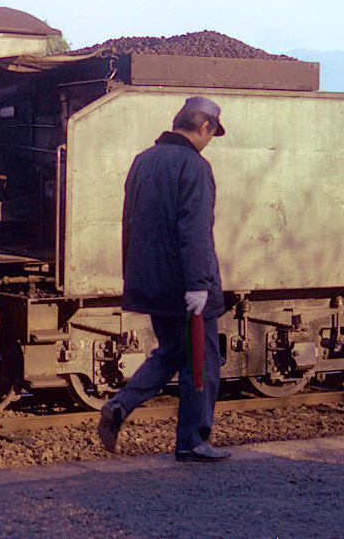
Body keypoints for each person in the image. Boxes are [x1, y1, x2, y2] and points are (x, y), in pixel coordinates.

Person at [97, 95, 230, 462]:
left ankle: (120, 406)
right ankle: (192, 441)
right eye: (211, 134)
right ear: (203, 127)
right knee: (201, 362)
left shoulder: (143, 161)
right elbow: (195, 230)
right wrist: (200, 284)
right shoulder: (194, 165)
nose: (208, 142)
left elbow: (130, 223)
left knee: (171, 351)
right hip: (186, 285)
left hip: (152, 281)